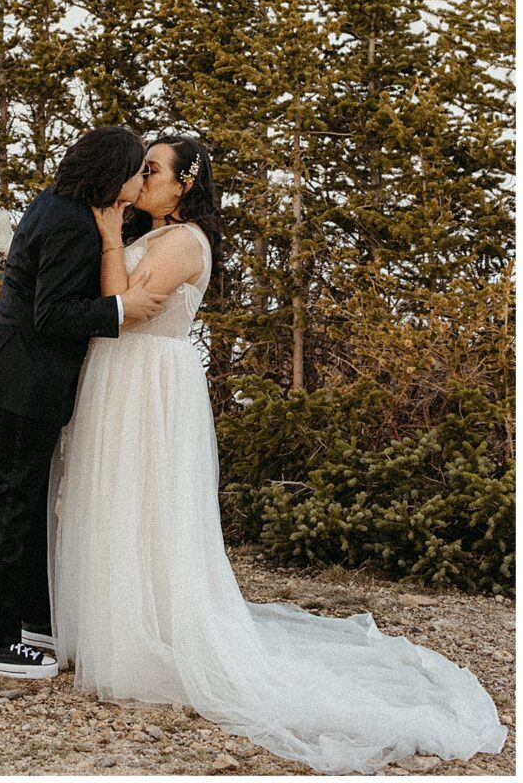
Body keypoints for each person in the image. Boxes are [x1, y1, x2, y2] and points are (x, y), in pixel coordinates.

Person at [51, 134, 507, 774]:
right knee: (116, 501)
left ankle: (147, 631)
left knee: (146, 502)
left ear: (186, 184)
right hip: (122, 376)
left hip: (148, 380)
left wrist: (104, 233)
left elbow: (120, 304)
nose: (139, 176)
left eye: (151, 169)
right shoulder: (153, 231)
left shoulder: (183, 241)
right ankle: (111, 617)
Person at [0, 127, 159, 683]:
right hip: (24, 378)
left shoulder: (64, 206)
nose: (141, 178)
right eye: (137, 169)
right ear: (111, 170)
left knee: (22, 500)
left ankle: (26, 622)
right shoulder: (71, 223)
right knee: (12, 504)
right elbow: (54, 315)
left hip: (17, 372)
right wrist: (123, 308)